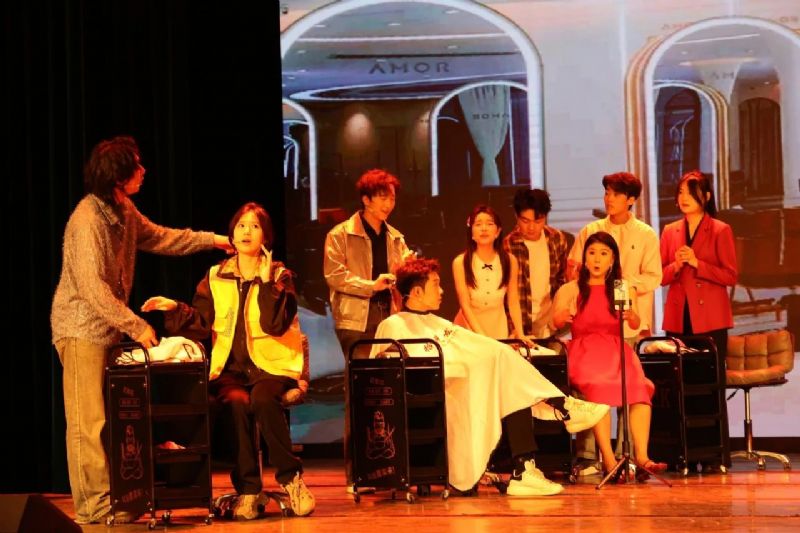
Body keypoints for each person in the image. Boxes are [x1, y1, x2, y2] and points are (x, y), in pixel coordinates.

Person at [50, 135, 232, 525]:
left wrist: (214, 241)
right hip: (80, 329)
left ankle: (110, 498)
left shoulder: (124, 210)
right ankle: (94, 505)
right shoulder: (87, 221)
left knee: (109, 421)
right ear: (119, 177)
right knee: (88, 422)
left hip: (108, 329)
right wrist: (137, 326)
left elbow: (163, 237)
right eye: (137, 165)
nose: (144, 171)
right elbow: (92, 290)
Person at [372, 258, 609, 495]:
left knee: (507, 370)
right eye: (435, 284)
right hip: (433, 397)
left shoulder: (439, 323)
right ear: (416, 292)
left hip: (463, 386)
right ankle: (559, 412)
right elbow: (384, 371)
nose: (442, 291)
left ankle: (527, 464)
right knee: (507, 371)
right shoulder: (394, 325)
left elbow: (478, 347)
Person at [142, 202, 315, 518]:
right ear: (232, 235)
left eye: (255, 226)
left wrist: (266, 282)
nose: (247, 232)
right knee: (235, 402)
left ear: (266, 236)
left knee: (262, 399)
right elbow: (202, 323)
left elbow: (274, 324)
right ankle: (248, 489)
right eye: (241, 226)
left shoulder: (280, 275)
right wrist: (173, 308)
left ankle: (292, 479)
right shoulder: (215, 276)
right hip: (232, 369)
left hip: (272, 366)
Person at [323, 168, 414, 489]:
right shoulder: (340, 234)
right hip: (355, 321)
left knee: (388, 393)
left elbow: (406, 272)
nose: (388, 203)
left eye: (392, 198)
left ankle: (388, 468)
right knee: (359, 393)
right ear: (366, 199)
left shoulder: (395, 237)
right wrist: (370, 285)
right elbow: (335, 276)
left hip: (389, 319)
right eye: (381, 197)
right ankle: (357, 473)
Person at [566, 171, 662, 473]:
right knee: (596, 388)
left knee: (629, 388)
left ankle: (628, 457)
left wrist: (620, 283)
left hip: (622, 322)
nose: (609, 199)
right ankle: (591, 457)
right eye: (607, 192)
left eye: (616, 194)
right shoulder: (591, 230)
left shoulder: (645, 234)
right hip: (589, 326)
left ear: (631, 200)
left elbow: (654, 277)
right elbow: (574, 267)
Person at [553, 232, 666, 478]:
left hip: (615, 349)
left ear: (612, 259)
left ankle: (642, 457)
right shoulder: (572, 289)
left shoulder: (622, 288)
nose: (597, 259)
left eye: (603, 254)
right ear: (584, 257)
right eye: (592, 253)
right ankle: (609, 459)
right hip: (584, 350)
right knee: (598, 387)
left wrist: (631, 315)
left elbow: (635, 323)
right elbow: (556, 322)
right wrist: (563, 316)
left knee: (640, 387)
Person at [660, 171, 737, 469]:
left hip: (710, 320)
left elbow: (730, 275)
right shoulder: (670, 231)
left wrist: (697, 263)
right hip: (679, 317)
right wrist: (677, 265)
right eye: (680, 192)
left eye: (690, 193)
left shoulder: (720, 229)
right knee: (680, 387)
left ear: (705, 197)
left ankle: (715, 455)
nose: (683, 198)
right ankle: (685, 455)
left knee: (709, 386)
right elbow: (661, 276)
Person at [503, 189, 569, 340]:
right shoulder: (508, 245)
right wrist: (513, 328)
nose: (531, 227)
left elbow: (561, 280)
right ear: (516, 216)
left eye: (538, 221)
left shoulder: (556, 239)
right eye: (525, 221)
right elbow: (505, 294)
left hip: (549, 323)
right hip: (519, 325)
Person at [452, 205, 525, 339]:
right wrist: (482, 336)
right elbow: (465, 305)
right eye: (478, 224)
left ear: (498, 231)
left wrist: (520, 333)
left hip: (497, 327)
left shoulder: (509, 260)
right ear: (471, 232)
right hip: (468, 330)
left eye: (490, 224)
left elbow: (513, 301)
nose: (484, 228)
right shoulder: (460, 262)